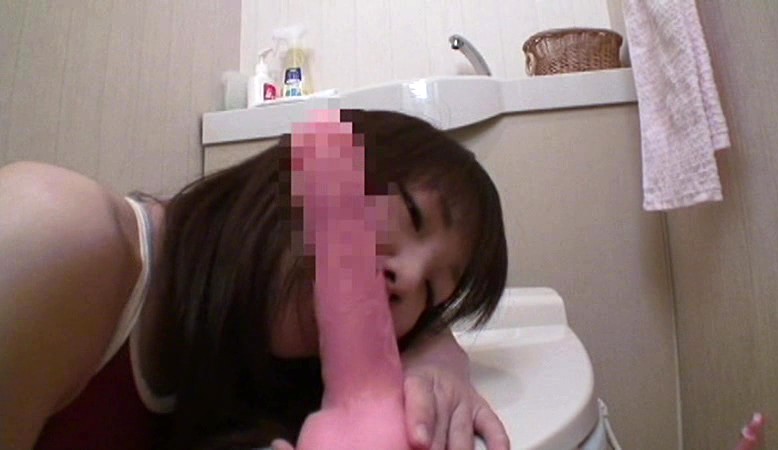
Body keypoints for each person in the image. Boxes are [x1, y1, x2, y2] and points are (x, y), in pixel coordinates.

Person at [0, 110, 509, 450]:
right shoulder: (59, 231)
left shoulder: (261, 369)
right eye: (413, 214)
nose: (408, 279)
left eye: (431, 293)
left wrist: (436, 364)